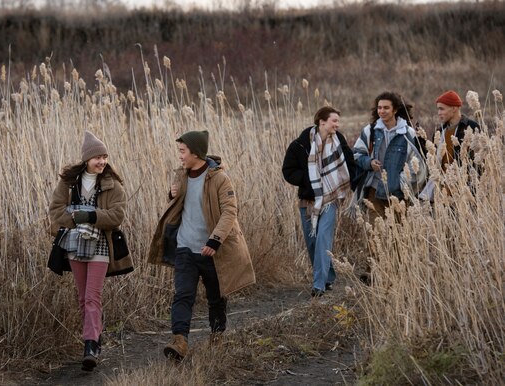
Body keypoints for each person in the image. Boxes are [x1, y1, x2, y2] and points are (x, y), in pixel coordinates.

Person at [148, 130, 256, 360]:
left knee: (216, 297)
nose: (179, 156)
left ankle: (217, 336)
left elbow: (230, 211)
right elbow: (178, 203)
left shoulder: (219, 178)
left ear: (195, 152)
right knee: (183, 295)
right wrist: (171, 193)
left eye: (182, 151)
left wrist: (214, 240)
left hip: (211, 250)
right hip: (185, 247)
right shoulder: (182, 175)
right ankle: (180, 341)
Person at [48, 131, 133, 372]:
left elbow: (117, 215)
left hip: (100, 248)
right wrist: (75, 221)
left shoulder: (112, 184)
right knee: (82, 296)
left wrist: (92, 216)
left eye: (105, 157)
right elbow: (55, 210)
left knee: (92, 295)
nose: (102, 161)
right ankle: (94, 335)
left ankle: (90, 346)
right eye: (98, 157)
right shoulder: (69, 182)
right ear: (87, 158)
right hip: (74, 247)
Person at [282, 106, 357, 297]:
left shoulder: (338, 140)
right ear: (322, 122)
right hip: (308, 200)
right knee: (312, 242)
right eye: (334, 121)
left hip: (330, 198)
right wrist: (310, 178)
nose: (337, 125)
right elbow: (288, 171)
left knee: (323, 238)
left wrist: (356, 180)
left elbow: (348, 160)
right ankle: (328, 276)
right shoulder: (300, 145)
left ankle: (318, 285)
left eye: (338, 121)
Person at [352, 91, 426, 221]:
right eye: (379, 108)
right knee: (377, 236)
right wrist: (369, 162)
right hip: (374, 191)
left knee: (400, 236)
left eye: (386, 108)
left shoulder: (408, 133)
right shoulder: (370, 131)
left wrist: (402, 180)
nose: (382, 111)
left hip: (399, 194)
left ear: (395, 110)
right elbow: (357, 154)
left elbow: (417, 162)